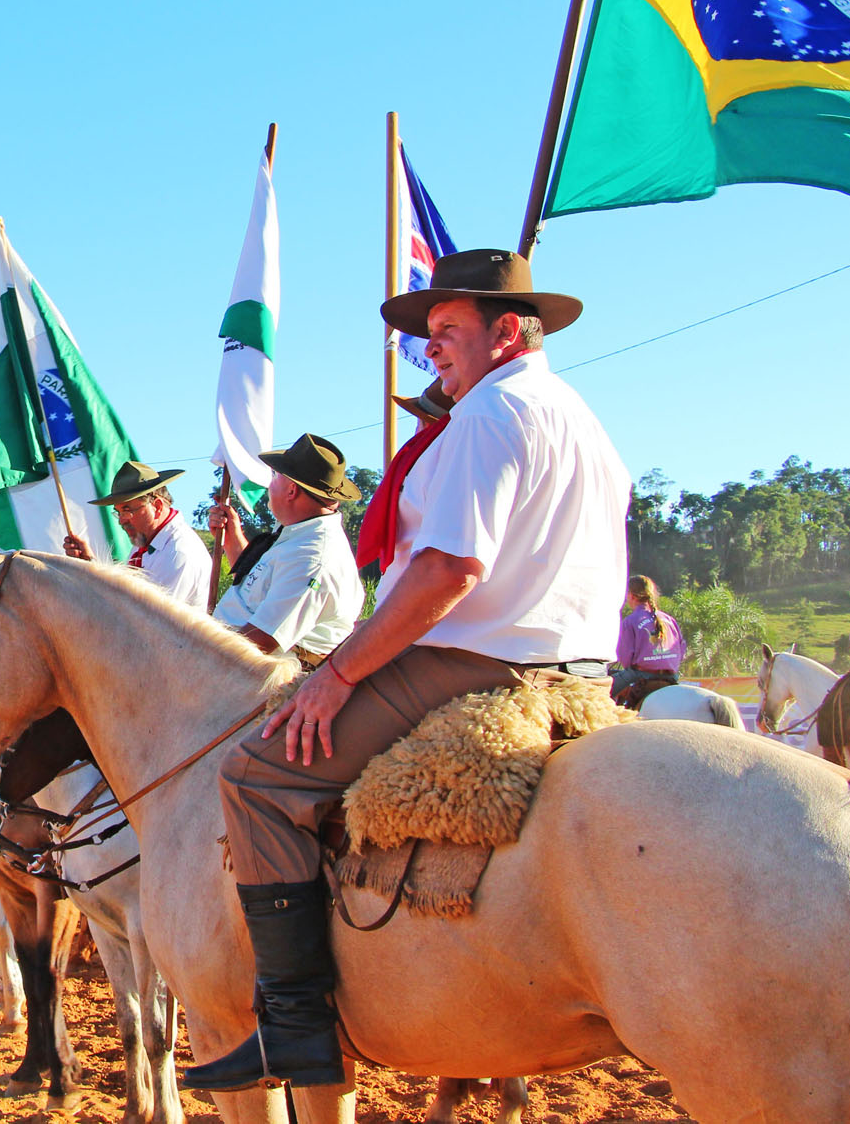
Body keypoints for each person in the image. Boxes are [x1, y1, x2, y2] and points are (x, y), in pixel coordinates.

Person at [185, 249, 629, 1093]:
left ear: (507, 331)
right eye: (429, 339)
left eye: (448, 333)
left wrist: (338, 676)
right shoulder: (579, 416)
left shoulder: (492, 414)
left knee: (254, 775)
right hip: (578, 665)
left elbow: (447, 570)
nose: (432, 354)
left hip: (477, 662)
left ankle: (295, 1023)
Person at [206, 435, 364, 668]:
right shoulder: (299, 534)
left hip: (261, 684)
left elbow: (259, 642)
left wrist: (198, 660)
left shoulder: (312, 558)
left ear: (291, 491)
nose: (271, 483)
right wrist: (231, 538)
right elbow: (259, 586)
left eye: (276, 475)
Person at [65, 460, 213, 607]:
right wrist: (90, 564)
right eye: (118, 512)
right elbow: (127, 600)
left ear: (157, 506)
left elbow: (146, 619)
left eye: (127, 511)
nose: (121, 521)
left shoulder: (177, 553)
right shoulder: (146, 542)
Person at [611, 575, 687, 702]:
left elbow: (626, 659)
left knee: (600, 696)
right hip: (671, 676)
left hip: (641, 675)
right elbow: (682, 649)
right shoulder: (669, 620)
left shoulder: (630, 621)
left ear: (631, 595)